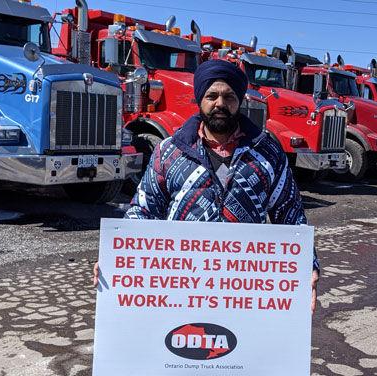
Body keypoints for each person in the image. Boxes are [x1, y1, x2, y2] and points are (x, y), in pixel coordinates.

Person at [94, 59, 319, 313]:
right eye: (212, 95)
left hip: (245, 292)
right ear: (200, 98)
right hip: (179, 289)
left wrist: (307, 264)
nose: (220, 103)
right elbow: (144, 211)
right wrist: (115, 259)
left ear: (240, 101)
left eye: (229, 96)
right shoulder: (169, 152)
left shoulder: (267, 153)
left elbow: (290, 213)